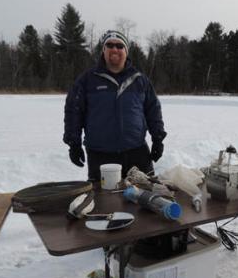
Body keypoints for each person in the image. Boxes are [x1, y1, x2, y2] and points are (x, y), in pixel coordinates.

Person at [63, 30, 166, 181]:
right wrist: (74, 143)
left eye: (119, 46)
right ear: (103, 50)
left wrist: (158, 138)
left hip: (137, 152)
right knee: (104, 202)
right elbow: (73, 112)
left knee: (146, 196)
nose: (115, 49)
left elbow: (153, 110)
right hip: (100, 155)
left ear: (126, 51)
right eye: (109, 45)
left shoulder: (139, 80)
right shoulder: (87, 80)